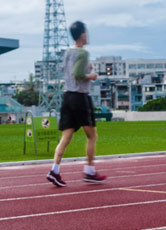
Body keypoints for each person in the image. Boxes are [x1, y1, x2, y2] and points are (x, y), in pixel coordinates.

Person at [46, 21, 106, 187]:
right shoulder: (83, 53)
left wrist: (86, 69)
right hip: (80, 97)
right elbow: (78, 74)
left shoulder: (67, 53)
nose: (88, 35)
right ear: (81, 35)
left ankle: (55, 170)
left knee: (66, 137)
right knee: (92, 136)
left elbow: (70, 72)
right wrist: (91, 75)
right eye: (86, 32)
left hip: (67, 96)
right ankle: (89, 171)